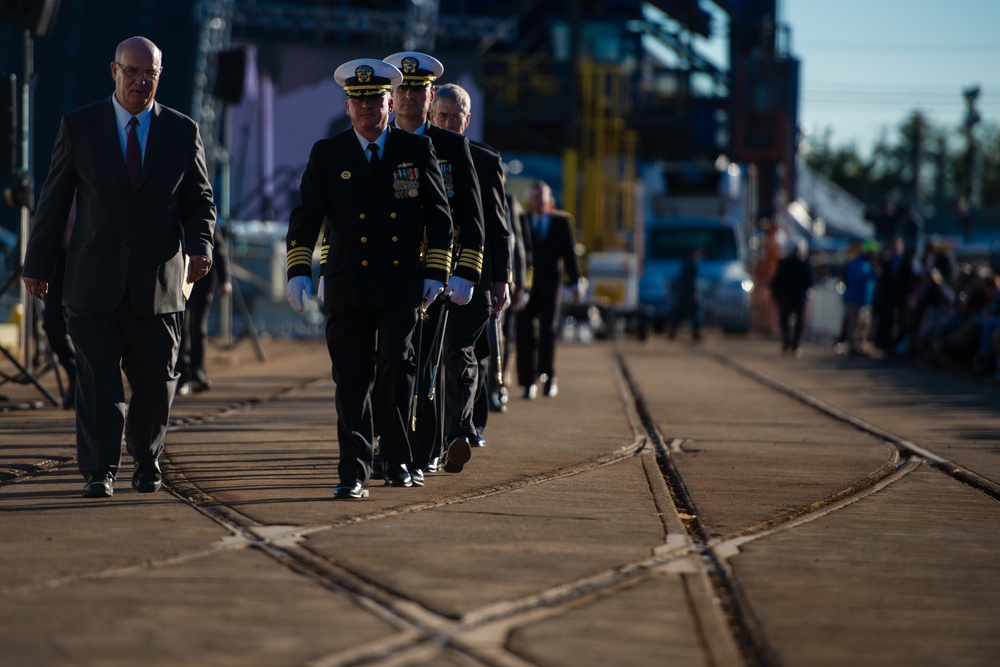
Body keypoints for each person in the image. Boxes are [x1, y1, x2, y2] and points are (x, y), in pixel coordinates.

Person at [21, 36, 217, 498]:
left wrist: (201, 244)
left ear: (159, 75)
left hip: (158, 284)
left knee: (155, 380)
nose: (140, 81)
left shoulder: (182, 131)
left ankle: (147, 458)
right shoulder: (80, 126)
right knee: (96, 381)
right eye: (131, 71)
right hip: (92, 281)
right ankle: (99, 469)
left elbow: (200, 199)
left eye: (149, 72)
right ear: (114, 72)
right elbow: (53, 201)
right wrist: (39, 263)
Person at [285, 58, 453, 500]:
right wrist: (299, 270)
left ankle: (397, 458)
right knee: (352, 379)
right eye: (358, 102)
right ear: (346, 106)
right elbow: (306, 217)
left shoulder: (415, 151)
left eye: (375, 101)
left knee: (395, 366)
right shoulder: (328, 153)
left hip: (401, 286)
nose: (366, 109)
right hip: (348, 283)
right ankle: (354, 471)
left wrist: (437, 271)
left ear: (390, 102)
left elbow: (439, 218)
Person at [380, 53, 486, 481]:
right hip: (381, 272)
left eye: (416, 90)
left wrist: (466, 272)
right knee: (383, 364)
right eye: (401, 89)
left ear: (429, 95)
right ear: (392, 95)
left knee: (422, 365)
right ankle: (385, 446)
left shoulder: (450, 146)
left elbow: (472, 216)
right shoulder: (376, 140)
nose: (408, 98)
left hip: (431, 273)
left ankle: (419, 453)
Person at [429, 82, 512, 452]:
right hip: (423, 271)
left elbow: (496, 225)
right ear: (431, 115)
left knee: (463, 352)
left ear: (468, 120)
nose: (447, 124)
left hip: (471, 271)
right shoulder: (411, 150)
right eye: (441, 116)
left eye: (455, 118)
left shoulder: (484, 159)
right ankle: (433, 436)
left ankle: (460, 431)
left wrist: (502, 279)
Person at [515, 180, 581, 399]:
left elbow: (570, 255)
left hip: (551, 285)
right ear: (530, 200)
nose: (538, 201)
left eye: (542, 197)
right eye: (534, 197)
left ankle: (548, 375)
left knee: (547, 331)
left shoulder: (561, 223)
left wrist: (576, 282)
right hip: (526, 286)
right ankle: (527, 381)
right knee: (525, 332)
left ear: (549, 200)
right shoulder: (521, 220)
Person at [177, 224, 232, 395]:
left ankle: (198, 374)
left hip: (202, 282)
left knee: (198, 328)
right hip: (177, 281)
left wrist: (225, 280)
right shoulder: (172, 217)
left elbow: (219, 251)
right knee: (180, 329)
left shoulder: (204, 219)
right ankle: (182, 377)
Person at [770, 238, 814, 356]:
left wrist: (777, 295)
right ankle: (794, 345)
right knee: (799, 322)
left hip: (786, 297)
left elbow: (776, 282)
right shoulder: (803, 264)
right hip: (798, 297)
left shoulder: (784, 263)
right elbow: (809, 282)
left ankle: (787, 339)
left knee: (784, 320)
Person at [668, 247, 702, 341]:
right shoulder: (692, 264)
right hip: (688, 293)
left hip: (683, 293)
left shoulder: (686, 263)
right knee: (693, 313)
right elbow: (691, 281)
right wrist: (694, 292)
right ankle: (695, 333)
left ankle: (672, 331)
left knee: (679, 313)